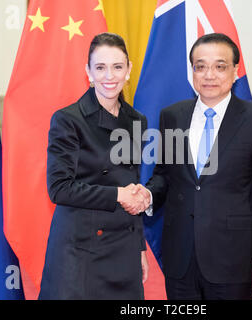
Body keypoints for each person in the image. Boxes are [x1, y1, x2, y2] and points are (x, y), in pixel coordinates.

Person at [133, 33, 252, 300]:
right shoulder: (173, 115)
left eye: (220, 66)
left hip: (235, 259)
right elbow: (165, 175)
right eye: (200, 66)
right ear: (192, 72)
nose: (209, 74)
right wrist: (148, 194)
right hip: (181, 256)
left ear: (235, 71)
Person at [39, 33, 150, 300]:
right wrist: (118, 194)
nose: (109, 76)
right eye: (100, 67)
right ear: (88, 71)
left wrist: (140, 248)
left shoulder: (137, 120)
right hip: (79, 252)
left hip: (123, 249)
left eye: (117, 67)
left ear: (129, 70)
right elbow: (59, 189)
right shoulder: (68, 120)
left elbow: (131, 182)